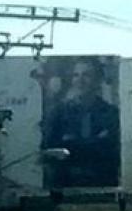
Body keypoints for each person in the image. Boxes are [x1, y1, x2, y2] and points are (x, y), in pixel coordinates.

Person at [43, 59, 120, 188]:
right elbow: (49, 150)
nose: (80, 80)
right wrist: (94, 144)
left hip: (103, 185)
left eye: (86, 75)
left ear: (98, 80)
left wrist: (72, 147)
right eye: (76, 75)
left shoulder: (110, 114)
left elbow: (112, 152)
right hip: (65, 185)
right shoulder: (59, 113)